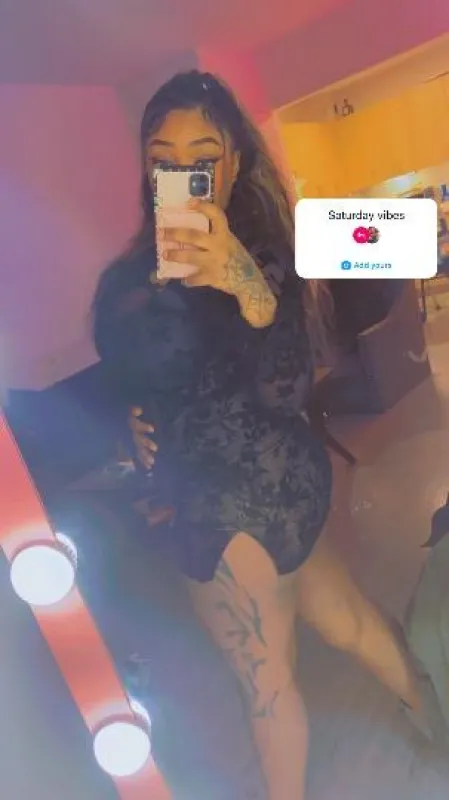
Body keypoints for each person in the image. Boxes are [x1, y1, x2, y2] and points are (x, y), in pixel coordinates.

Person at [93, 71, 430, 800]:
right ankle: (434, 718)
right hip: (283, 489)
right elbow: (126, 379)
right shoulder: (127, 281)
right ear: (147, 166)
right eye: (163, 157)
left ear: (235, 163)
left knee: (265, 689)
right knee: (346, 622)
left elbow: (286, 390)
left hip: (228, 505)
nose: (183, 173)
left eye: (204, 155)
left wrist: (246, 285)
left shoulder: (268, 255)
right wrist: (128, 425)